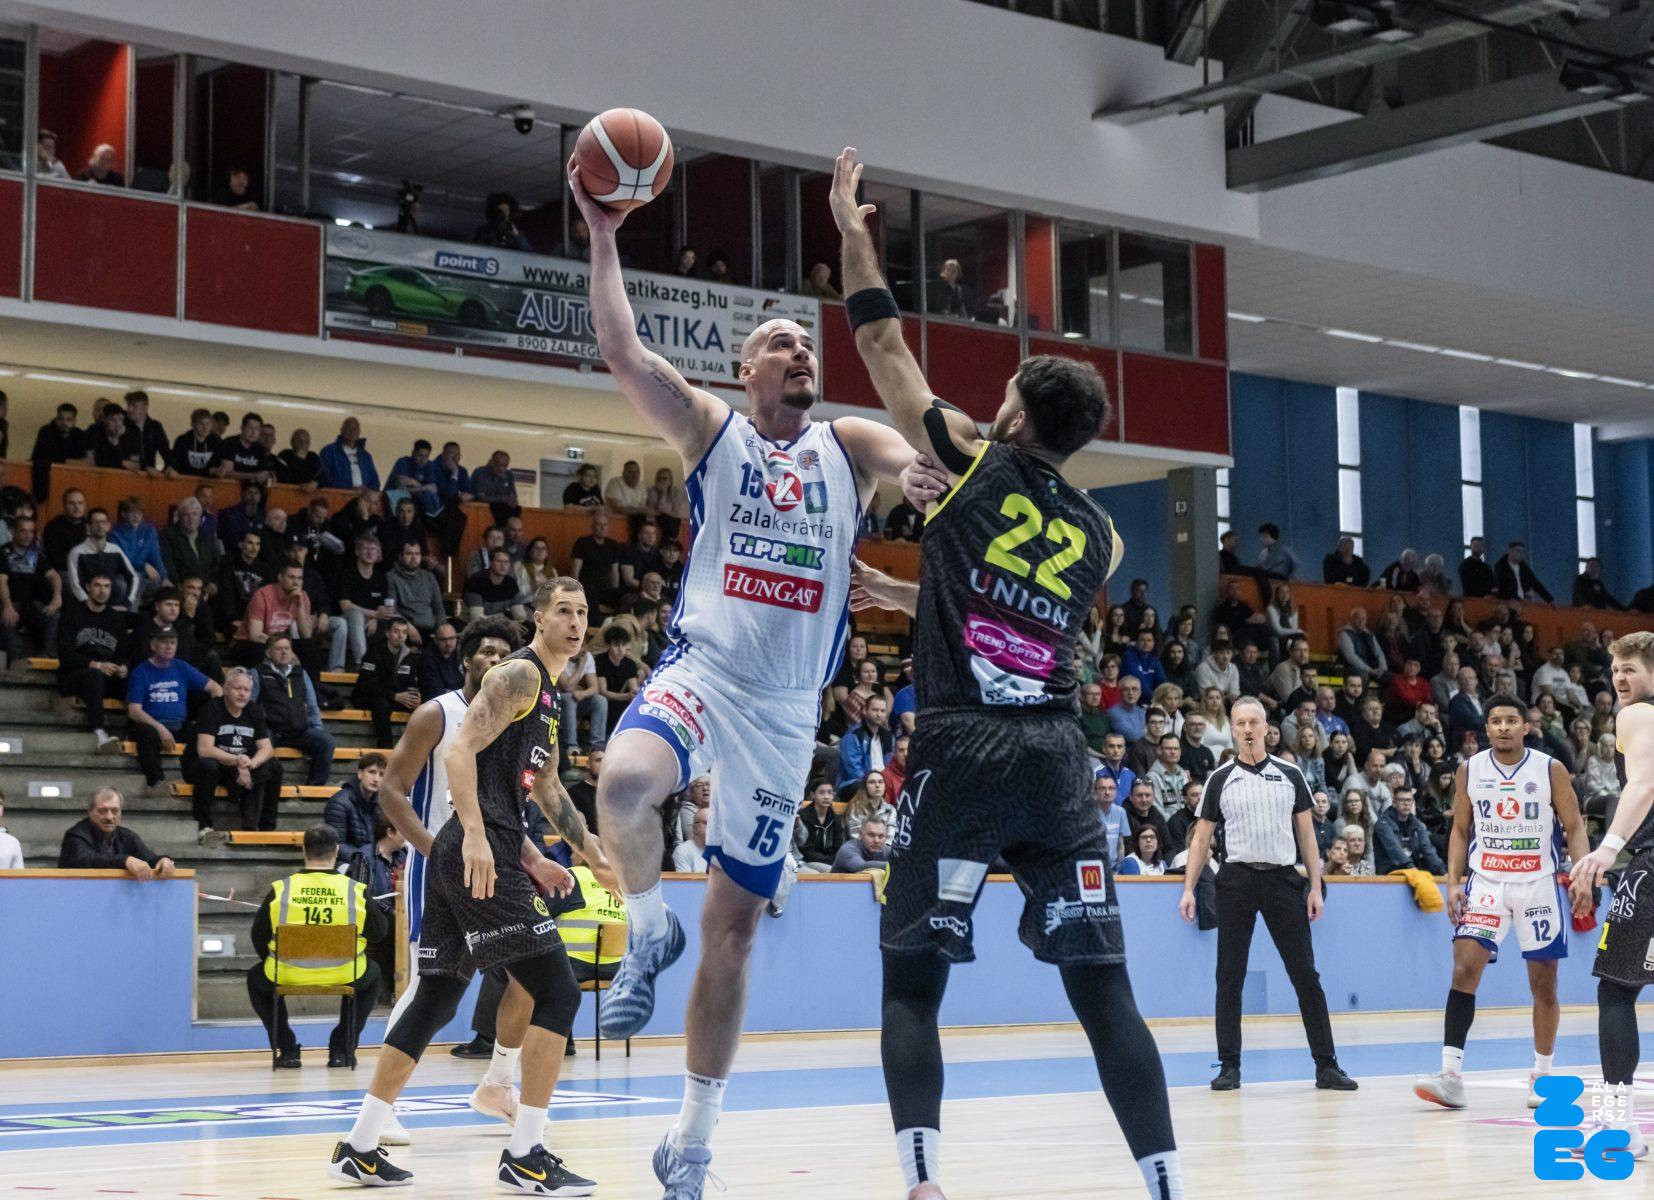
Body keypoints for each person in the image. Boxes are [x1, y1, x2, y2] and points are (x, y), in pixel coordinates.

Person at [569, 155, 941, 1195]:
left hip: (784, 714)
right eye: (779, 341)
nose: (799, 350)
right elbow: (620, 347)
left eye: (804, 342)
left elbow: (910, 445)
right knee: (622, 784)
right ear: (745, 371)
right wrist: (603, 234)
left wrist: (922, 471)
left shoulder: (845, 443)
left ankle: (691, 1141)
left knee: (733, 933)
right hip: (706, 669)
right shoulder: (712, 430)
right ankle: (646, 926)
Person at [827, 149, 1184, 1200]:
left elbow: (881, 341)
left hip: (960, 750)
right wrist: (910, 594)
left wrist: (851, 233)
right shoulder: (1104, 536)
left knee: (912, 980)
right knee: (1104, 990)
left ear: (1017, 420)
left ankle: (923, 1180)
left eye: (1004, 399)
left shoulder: (972, 460)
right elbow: (1021, 615)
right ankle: (1165, 1183)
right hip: (1056, 762)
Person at [327, 580, 610, 1193]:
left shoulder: (550, 695)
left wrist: (592, 852)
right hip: (480, 852)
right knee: (558, 993)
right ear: (539, 618)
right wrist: (478, 836)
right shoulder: (520, 675)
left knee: (436, 998)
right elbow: (458, 753)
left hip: (484, 849)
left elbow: (548, 789)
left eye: (583, 613)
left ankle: (360, 1145)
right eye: (563, 610)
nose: (575, 622)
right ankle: (525, 1153)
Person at [1413, 695, 1590, 1113]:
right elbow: (1460, 829)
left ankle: (1542, 1074)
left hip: (1538, 884)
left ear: (1525, 726)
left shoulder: (1549, 769)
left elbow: (1574, 825)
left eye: (1512, 720)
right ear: (1486, 728)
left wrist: (1582, 875)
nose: (1504, 727)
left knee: (1544, 984)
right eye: (1496, 721)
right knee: (1463, 969)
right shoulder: (1470, 770)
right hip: (1487, 881)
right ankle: (1451, 1075)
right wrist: (1453, 883)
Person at [1180, 698, 1357, 1093]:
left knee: (1305, 975)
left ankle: (1326, 1066)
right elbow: (1201, 839)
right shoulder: (1220, 778)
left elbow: (1306, 835)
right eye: (1240, 723)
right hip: (1236, 879)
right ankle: (1229, 1066)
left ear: (1265, 728)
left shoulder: (1290, 774)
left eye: (1253, 722)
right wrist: (1188, 888)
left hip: (1282, 878)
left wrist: (1315, 886)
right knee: (1229, 975)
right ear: (1232, 729)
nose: (1247, 729)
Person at [1568, 631, 1654, 1157]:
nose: (1620, 678)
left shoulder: (1637, 715)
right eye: (1615, 669)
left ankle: (1620, 1126)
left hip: (1648, 865)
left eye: (1631, 669)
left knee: (1616, 991)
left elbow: (1642, 785)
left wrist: (1607, 849)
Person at [247, 823, 384, 1069]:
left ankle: (287, 1050)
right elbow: (379, 932)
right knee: (372, 973)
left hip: (287, 972)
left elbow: (258, 936)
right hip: (345, 972)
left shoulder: (281, 890)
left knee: (256, 978)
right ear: (337, 851)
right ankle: (341, 1051)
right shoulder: (354, 890)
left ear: (303, 850)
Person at [126, 626, 222, 791]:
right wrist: (160, 728)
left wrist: (212, 717)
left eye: (173, 643)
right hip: (151, 726)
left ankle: (198, 778)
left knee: (207, 733)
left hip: (179, 725)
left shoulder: (181, 666)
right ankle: (155, 782)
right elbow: (134, 710)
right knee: (145, 733)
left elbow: (216, 688)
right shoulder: (141, 671)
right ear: (153, 645)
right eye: (164, 642)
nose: (169, 646)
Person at [191, 667, 281, 841]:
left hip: (239, 765)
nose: (242, 694)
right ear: (226, 689)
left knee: (273, 766)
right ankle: (203, 825)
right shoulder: (211, 708)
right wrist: (238, 760)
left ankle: (264, 828)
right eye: (237, 688)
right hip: (213, 766)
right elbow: (204, 749)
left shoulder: (253, 710)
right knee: (208, 765)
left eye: (247, 690)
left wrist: (251, 764)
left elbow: (267, 749)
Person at [56, 571, 128, 752]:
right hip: (74, 675)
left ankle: (135, 733)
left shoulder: (116, 619)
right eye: (97, 585)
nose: (102, 591)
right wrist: (96, 665)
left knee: (137, 679)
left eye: (107, 586)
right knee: (94, 676)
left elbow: (122, 653)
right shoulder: (72, 614)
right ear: (88, 587)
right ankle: (99, 732)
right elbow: (66, 655)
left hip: (106, 676)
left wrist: (123, 667)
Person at [250, 633, 335, 787]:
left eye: (287, 648)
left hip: (299, 730)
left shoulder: (300, 673)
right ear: (268, 653)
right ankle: (263, 787)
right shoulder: (257, 673)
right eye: (278, 649)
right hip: (270, 730)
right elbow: (250, 704)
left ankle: (314, 789)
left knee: (326, 741)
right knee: (261, 747)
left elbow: (312, 705)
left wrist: (317, 729)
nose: (284, 652)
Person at [57, 785, 176, 877]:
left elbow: (148, 858)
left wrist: (163, 860)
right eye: (102, 811)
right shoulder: (75, 836)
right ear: (90, 812)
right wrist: (126, 861)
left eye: (115, 811)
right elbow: (86, 861)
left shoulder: (127, 836)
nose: (109, 817)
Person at [0, 514, 62, 663]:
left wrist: (57, 597)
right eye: (23, 531)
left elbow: (54, 576)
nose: (28, 535)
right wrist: (7, 606)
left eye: (31, 531)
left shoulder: (36, 554)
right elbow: (1, 580)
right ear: (13, 532)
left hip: (33, 604)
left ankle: (47, 657)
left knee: (54, 616)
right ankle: (15, 663)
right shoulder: (3, 552)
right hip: (11, 602)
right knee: (7, 618)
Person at [352, 617, 421, 750]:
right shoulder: (373, 652)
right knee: (382, 705)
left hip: (395, 697)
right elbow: (367, 684)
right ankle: (385, 749)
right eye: (396, 631)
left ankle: (417, 750)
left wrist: (415, 698)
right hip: (368, 696)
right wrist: (394, 696)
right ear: (387, 633)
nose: (400, 636)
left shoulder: (409, 656)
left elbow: (411, 683)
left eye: (404, 632)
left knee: (424, 707)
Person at [66, 508, 140, 610]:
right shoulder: (77, 552)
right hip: (85, 607)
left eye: (104, 522)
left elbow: (133, 577)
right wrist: (91, 606)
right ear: (88, 526)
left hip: (112, 606)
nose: (100, 526)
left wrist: (128, 602)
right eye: (96, 523)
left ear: (109, 526)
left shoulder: (115, 550)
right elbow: (75, 585)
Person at [323, 754, 388, 863]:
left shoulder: (382, 803)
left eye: (382, 774)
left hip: (372, 861)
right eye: (372, 772)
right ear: (360, 774)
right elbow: (337, 845)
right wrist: (364, 860)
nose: (376, 779)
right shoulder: (339, 802)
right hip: (344, 863)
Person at [317, 418, 380, 491]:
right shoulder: (329, 452)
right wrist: (349, 489)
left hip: (363, 496)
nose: (352, 431)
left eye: (355, 429)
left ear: (359, 432)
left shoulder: (366, 456)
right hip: (337, 495)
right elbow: (324, 477)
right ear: (342, 430)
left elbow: (375, 482)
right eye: (348, 428)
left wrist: (366, 490)